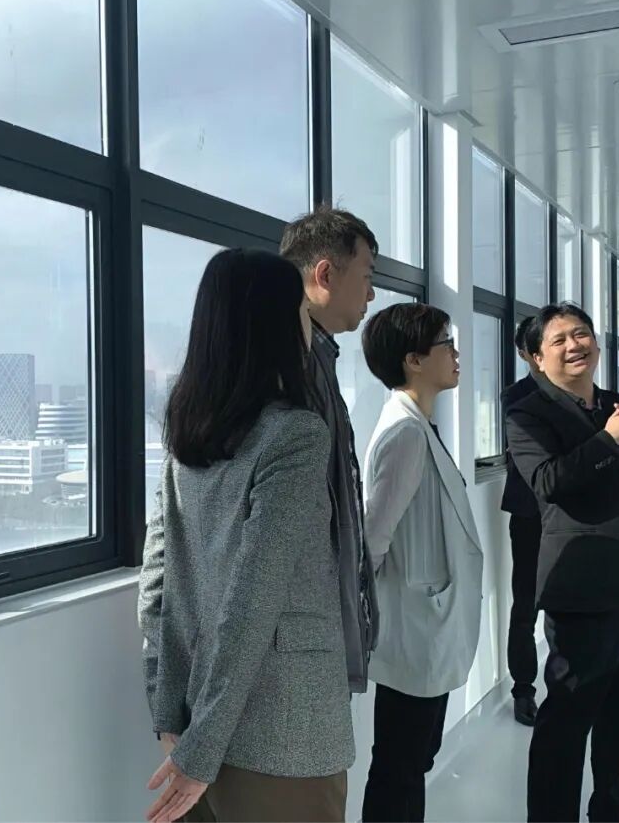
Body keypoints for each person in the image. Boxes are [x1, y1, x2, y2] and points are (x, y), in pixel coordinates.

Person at [137, 250, 353, 823]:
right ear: (275, 324)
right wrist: (200, 749)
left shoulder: (186, 436)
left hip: (194, 721)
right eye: (301, 309)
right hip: (285, 733)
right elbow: (253, 600)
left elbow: (157, 583)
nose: (308, 323)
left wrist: (170, 711)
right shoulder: (295, 435)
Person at [505, 302, 619, 823]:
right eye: (559, 340)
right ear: (537, 358)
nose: (574, 345)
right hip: (583, 588)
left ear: (597, 344)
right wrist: (609, 439)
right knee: (567, 718)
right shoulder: (527, 414)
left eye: (581, 334)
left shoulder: (615, 404)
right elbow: (549, 482)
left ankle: (609, 806)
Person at [358, 303, 484, 823]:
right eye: (445, 344)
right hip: (413, 626)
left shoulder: (418, 425)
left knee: (411, 760)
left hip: (423, 621)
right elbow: (373, 537)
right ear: (413, 359)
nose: (456, 354)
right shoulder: (406, 433)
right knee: (400, 766)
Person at [280, 205, 380, 696]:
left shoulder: (319, 359)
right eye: (366, 276)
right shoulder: (292, 371)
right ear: (324, 275)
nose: (371, 294)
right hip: (300, 643)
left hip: (316, 631)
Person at [501, 315, 543, 727]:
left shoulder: (583, 396)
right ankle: (523, 688)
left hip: (573, 515)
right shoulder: (515, 396)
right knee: (525, 603)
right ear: (525, 354)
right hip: (530, 514)